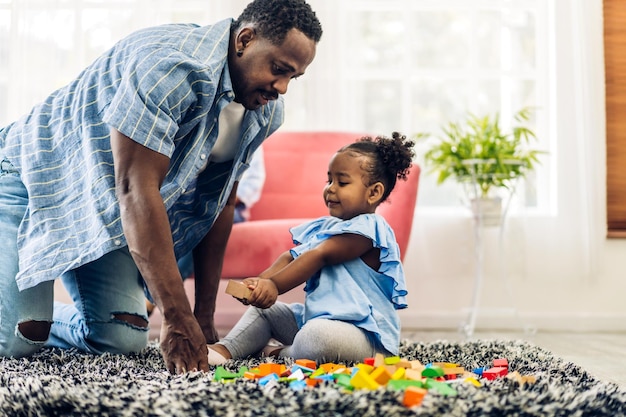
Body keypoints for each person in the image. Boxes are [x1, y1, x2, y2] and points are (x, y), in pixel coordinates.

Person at [0, 0, 322, 375]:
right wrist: (174, 314)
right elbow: (136, 189)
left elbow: (216, 206)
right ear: (245, 40)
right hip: (31, 176)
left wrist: (202, 316)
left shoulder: (263, 112)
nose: (281, 87)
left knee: (121, 340)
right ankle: (24, 319)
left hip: (101, 202)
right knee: (18, 339)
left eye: (293, 78)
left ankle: (31, 315)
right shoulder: (169, 67)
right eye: (278, 70)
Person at [206, 132, 415, 365]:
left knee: (316, 337)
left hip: (364, 336)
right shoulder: (327, 227)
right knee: (266, 312)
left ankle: (280, 354)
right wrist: (260, 284)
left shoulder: (370, 230)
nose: (331, 189)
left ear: (374, 192)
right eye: (329, 180)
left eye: (342, 182)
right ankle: (226, 349)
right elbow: (290, 256)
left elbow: (320, 255)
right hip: (317, 318)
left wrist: (274, 285)